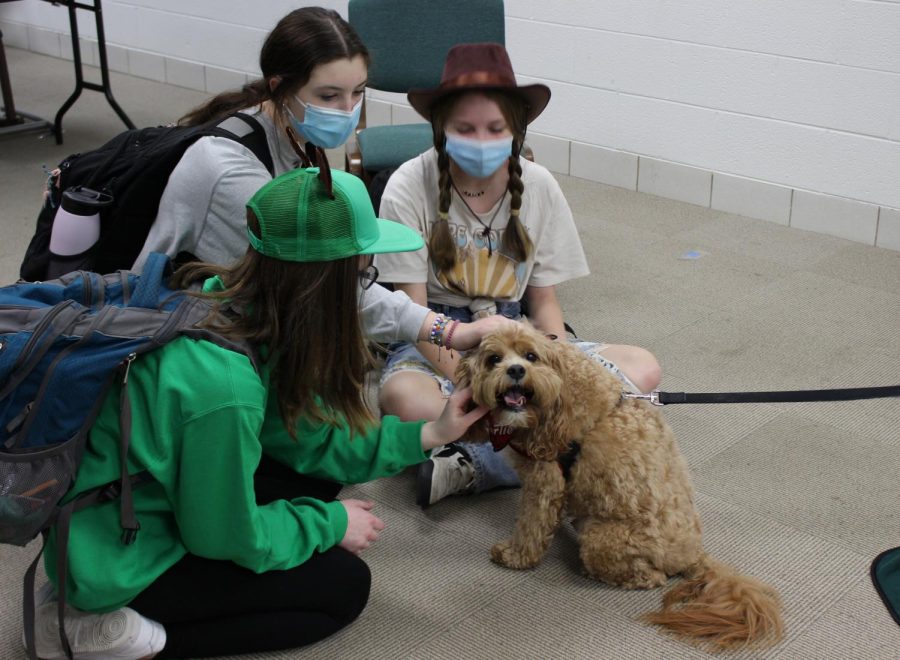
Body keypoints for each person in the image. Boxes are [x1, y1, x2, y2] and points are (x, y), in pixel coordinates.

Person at [31, 167, 491, 659]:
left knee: (316, 479)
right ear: (325, 284)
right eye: (362, 273)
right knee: (341, 589)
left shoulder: (231, 303)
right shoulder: (223, 387)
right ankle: (85, 630)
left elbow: (310, 442)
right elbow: (223, 537)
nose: (365, 288)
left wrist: (433, 432)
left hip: (136, 499)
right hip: (117, 552)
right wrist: (327, 525)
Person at [375, 43, 663, 508]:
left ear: (516, 130)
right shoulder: (409, 184)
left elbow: (544, 302)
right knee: (409, 403)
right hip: (439, 338)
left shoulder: (539, 184)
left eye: (496, 128)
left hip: (518, 333)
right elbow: (413, 311)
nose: (482, 140)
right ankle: (564, 453)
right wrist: (480, 387)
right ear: (440, 130)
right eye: (464, 128)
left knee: (642, 369)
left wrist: (558, 375)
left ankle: (472, 466)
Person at [133, 6, 512, 353]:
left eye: (358, 92)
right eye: (329, 96)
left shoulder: (295, 135)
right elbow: (322, 286)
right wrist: (446, 330)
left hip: (250, 302)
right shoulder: (232, 169)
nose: (348, 111)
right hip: (190, 331)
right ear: (280, 86)